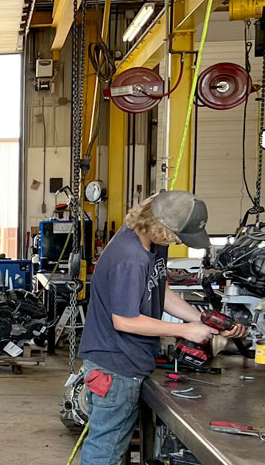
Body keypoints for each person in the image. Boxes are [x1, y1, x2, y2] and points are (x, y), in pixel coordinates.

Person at [78, 191, 247, 464]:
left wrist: (199, 320)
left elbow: (159, 289)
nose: (179, 240)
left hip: (130, 363)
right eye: (178, 235)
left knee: (113, 447)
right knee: (106, 450)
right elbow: (124, 320)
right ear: (161, 227)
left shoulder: (152, 243)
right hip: (115, 368)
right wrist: (183, 331)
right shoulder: (130, 257)